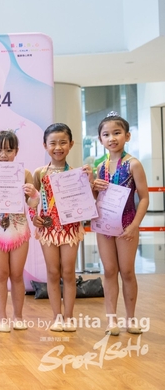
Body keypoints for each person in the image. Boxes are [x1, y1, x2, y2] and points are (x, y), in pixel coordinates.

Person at [31, 123, 93, 332]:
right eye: (53, 143)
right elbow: (31, 200)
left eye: (63, 142)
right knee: (52, 271)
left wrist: (89, 181)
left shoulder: (77, 173)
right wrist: (33, 217)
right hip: (48, 229)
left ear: (71, 144)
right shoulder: (39, 173)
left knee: (68, 271)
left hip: (70, 229)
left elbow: (87, 202)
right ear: (45, 145)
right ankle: (56, 316)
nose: (58, 147)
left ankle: (69, 316)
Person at [0, 130, 39, 332]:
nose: (3, 155)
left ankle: (18, 316)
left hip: (19, 229)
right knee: (0, 274)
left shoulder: (25, 174)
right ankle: (1, 318)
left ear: (16, 152)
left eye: (9, 150)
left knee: (17, 275)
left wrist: (33, 194)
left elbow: (32, 204)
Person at [92, 112, 149, 335]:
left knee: (126, 271)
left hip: (126, 223)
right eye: (106, 135)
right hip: (104, 225)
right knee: (109, 270)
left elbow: (144, 198)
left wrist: (134, 225)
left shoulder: (133, 164)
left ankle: (131, 319)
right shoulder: (100, 167)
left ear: (127, 135)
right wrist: (93, 188)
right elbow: (95, 200)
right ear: (100, 139)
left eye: (117, 133)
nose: (112, 138)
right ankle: (111, 320)